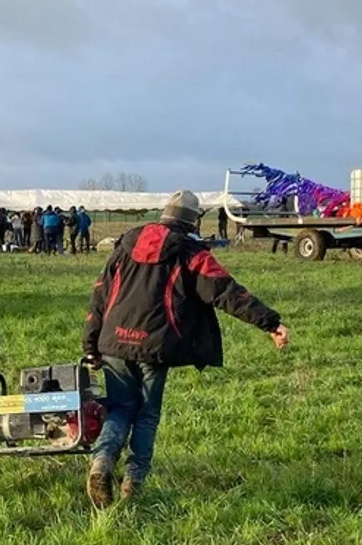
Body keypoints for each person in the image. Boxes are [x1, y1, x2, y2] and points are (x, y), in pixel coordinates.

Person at [81, 190, 289, 508]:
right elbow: (226, 291)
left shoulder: (125, 245)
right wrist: (269, 322)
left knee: (120, 408)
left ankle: (102, 462)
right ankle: (132, 484)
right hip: (156, 345)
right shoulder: (191, 252)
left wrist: (90, 343)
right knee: (147, 415)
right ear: (192, 220)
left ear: (165, 213)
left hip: (113, 342)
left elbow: (100, 295)